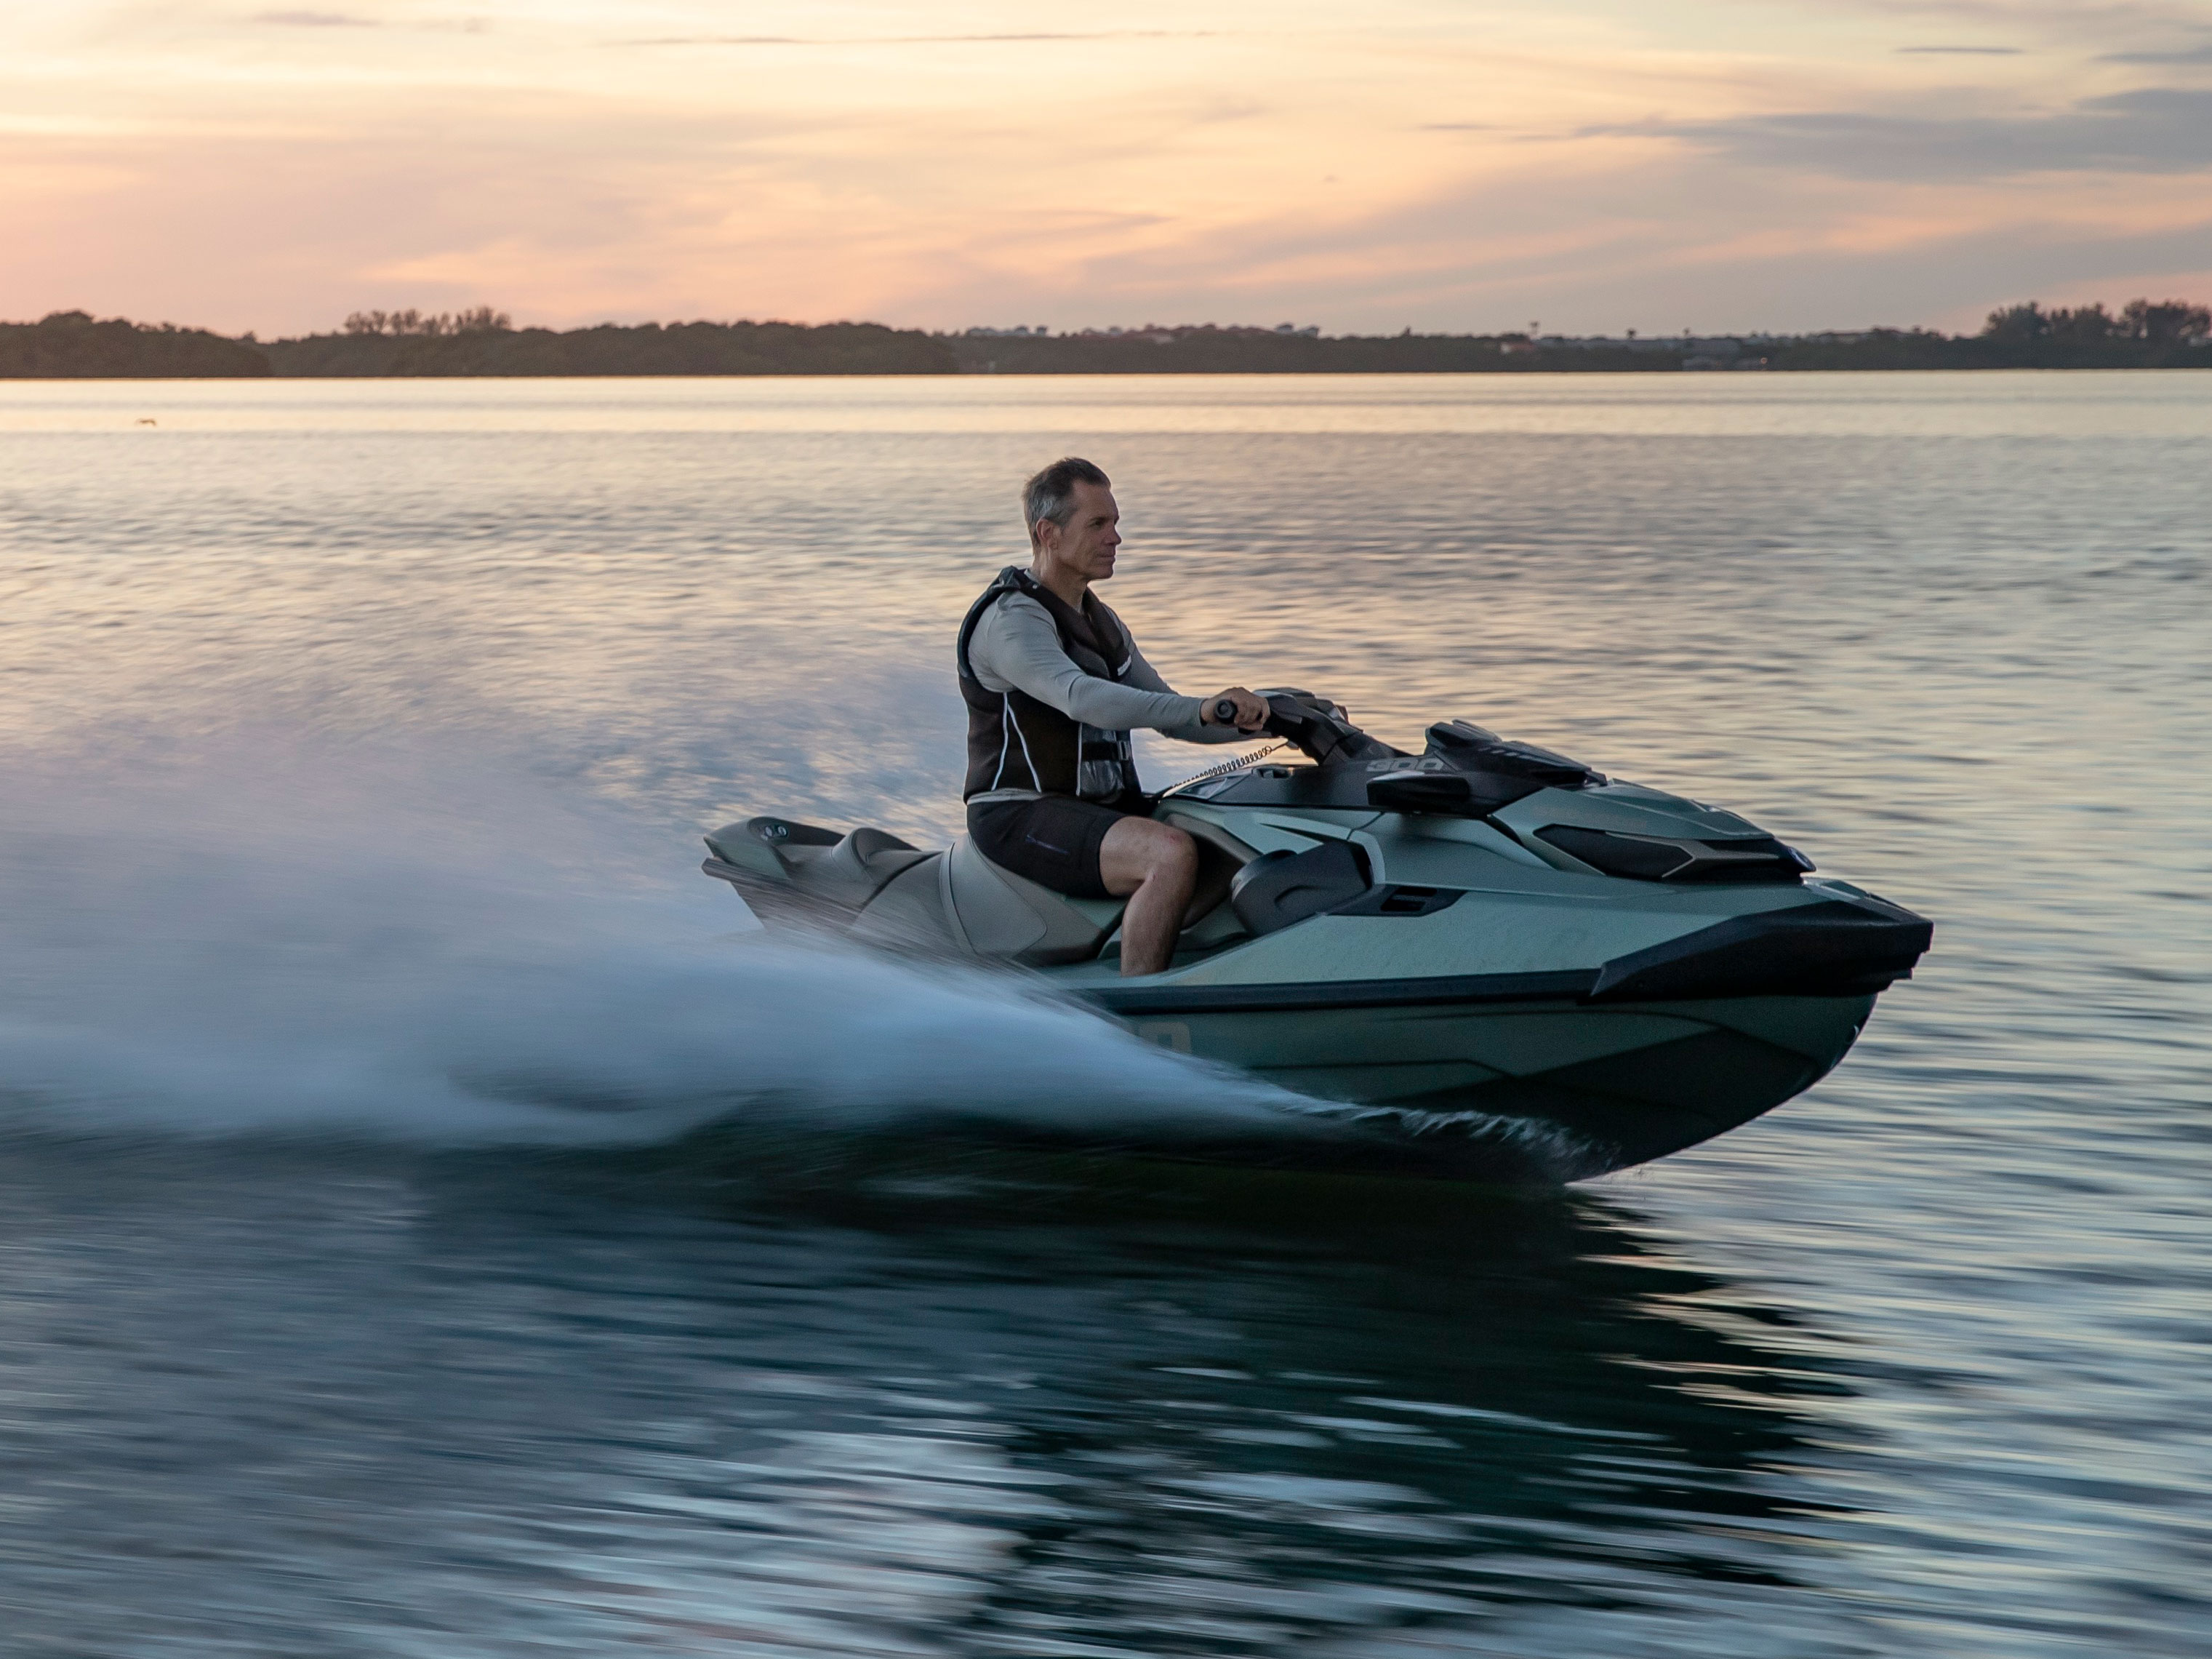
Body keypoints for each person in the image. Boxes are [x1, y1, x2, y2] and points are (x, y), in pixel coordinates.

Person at [956, 457, 1270, 976]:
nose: (1116, 538)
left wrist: (1270, 716)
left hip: (1096, 810)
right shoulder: (1011, 621)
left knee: (1232, 836)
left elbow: (1175, 718)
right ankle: (1141, 1010)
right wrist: (1203, 707)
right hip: (1019, 814)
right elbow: (1081, 697)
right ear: (1048, 534)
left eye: (1116, 523)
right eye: (1098, 524)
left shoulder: (1100, 622)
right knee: (1168, 853)